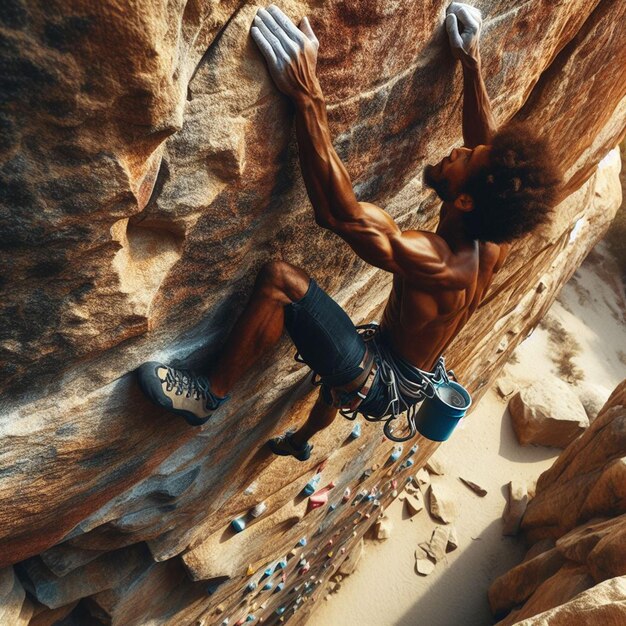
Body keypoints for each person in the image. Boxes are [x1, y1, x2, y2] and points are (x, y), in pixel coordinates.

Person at [137, 3, 561, 460]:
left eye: (465, 159)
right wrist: (470, 60)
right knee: (332, 390)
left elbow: (341, 215)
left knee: (283, 283)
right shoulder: (491, 231)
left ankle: (207, 397)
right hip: (406, 370)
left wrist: (307, 95)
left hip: (379, 377)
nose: (459, 149)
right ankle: (300, 443)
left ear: (464, 201)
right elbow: (488, 151)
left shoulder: (441, 262)